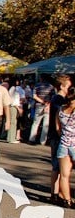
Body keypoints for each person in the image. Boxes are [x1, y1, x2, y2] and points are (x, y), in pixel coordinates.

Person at [48, 74, 71, 205]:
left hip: (58, 136)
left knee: (60, 167)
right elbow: (60, 121)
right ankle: (55, 193)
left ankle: (58, 193)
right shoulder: (58, 100)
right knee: (57, 167)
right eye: (68, 86)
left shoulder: (58, 99)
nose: (70, 88)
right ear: (62, 86)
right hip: (57, 137)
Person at [55, 91, 75, 207]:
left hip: (63, 143)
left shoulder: (61, 109)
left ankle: (67, 200)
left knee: (64, 175)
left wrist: (64, 135)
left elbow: (58, 127)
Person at [30, 77, 55, 145]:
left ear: (41, 79)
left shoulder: (37, 86)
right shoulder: (51, 86)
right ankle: (43, 141)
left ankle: (32, 139)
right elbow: (53, 97)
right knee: (45, 124)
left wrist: (42, 102)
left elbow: (34, 96)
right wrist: (47, 103)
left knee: (36, 123)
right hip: (48, 106)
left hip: (39, 105)